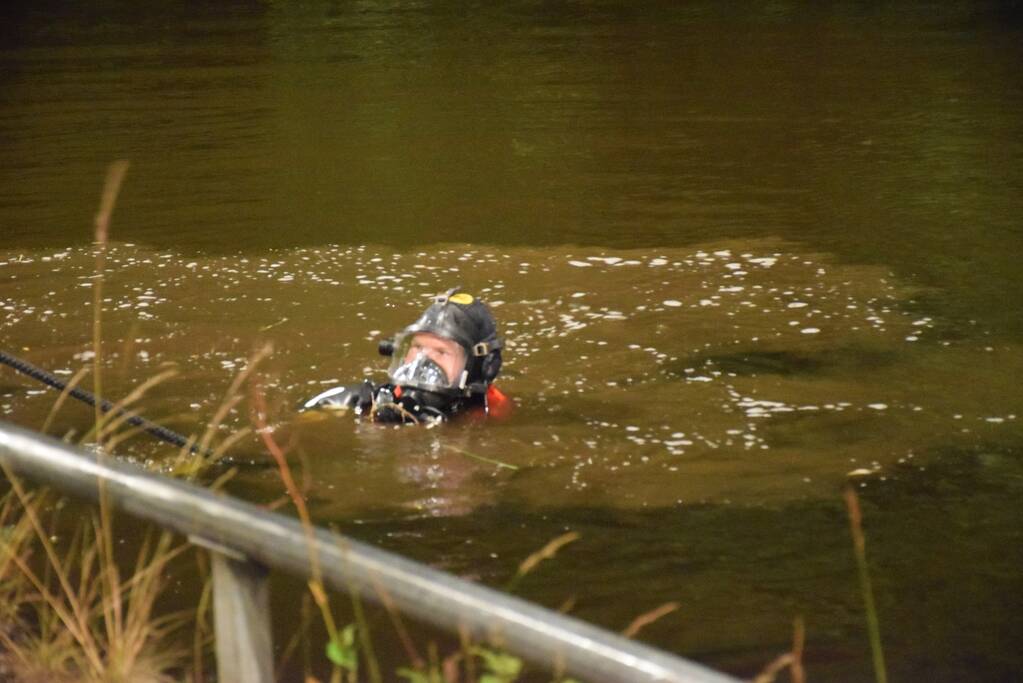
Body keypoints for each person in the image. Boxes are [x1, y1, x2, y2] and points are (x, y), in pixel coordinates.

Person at [302, 287, 511, 423]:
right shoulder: (367, 401)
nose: (423, 361)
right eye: (418, 347)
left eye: (441, 352)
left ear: (479, 366)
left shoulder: (492, 413)